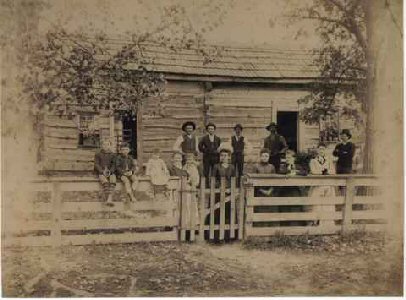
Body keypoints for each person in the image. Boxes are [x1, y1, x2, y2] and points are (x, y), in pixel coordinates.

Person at [308, 143, 336, 227]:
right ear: (317, 150)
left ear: (325, 150)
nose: (321, 151)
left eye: (323, 149)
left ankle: (327, 222)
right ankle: (316, 221)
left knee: (328, 204)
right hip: (318, 185)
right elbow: (313, 171)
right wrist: (322, 172)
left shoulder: (329, 160)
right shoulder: (313, 161)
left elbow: (333, 171)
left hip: (327, 184)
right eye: (320, 149)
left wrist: (328, 172)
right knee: (317, 204)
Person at [94, 140, 117, 206]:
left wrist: (111, 171)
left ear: (110, 146)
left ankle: (109, 198)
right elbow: (96, 164)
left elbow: (114, 164)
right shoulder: (98, 154)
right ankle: (108, 199)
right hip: (101, 172)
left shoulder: (113, 154)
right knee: (105, 181)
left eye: (107, 144)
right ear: (102, 146)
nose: (106, 146)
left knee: (113, 179)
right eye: (104, 144)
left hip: (110, 172)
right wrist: (101, 171)